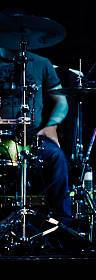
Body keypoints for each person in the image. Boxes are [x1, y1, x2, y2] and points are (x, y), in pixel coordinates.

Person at [0, 43, 71, 221]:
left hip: (32, 137)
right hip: (2, 137)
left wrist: (52, 125)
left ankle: (60, 222)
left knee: (57, 157)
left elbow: (61, 101)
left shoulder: (42, 63)